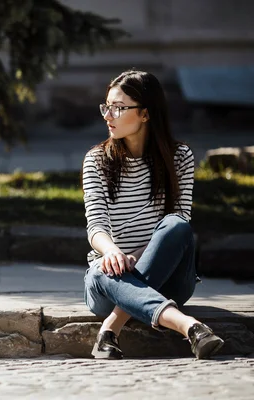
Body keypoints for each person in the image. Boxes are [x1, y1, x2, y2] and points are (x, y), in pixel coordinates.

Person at [82, 69, 224, 360]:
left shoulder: (180, 157)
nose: (108, 115)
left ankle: (112, 326)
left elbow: (179, 221)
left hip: (169, 277)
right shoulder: (96, 160)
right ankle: (190, 327)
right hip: (110, 279)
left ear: (145, 114)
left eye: (118, 108)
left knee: (177, 226)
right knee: (102, 270)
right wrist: (112, 253)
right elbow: (96, 226)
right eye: (106, 106)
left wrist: (138, 257)